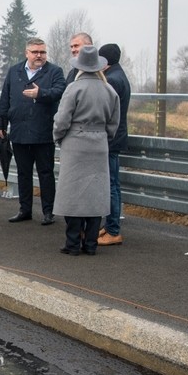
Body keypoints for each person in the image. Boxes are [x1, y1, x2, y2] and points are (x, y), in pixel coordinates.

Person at [52, 45, 120, 256]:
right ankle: (90, 244)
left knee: (73, 196)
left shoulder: (74, 88)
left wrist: (58, 137)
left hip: (75, 144)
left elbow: (62, 120)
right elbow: (114, 123)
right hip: (99, 144)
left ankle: (72, 244)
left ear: (80, 66)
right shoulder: (109, 90)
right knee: (95, 196)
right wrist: (103, 137)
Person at [0, 37, 66, 225]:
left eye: (42, 52)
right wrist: (1, 123)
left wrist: (40, 93)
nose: (39, 55)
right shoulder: (15, 71)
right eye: (35, 52)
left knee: (46, 173)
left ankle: (48, 212)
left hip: (43, 132)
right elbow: (5, 98)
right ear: (26, 53)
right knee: (23, 173)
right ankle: (24, 209)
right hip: (19, 131)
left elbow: (60, 91)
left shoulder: (54, 71)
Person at [97, 43, 132, 247]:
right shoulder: (119, 75)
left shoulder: (112, 80)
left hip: (110, 140)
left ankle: (112, 230)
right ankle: (110, 225)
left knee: (110, 186)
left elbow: (106, 112)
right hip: (116, 138)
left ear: (105, 61)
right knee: (113, 185)